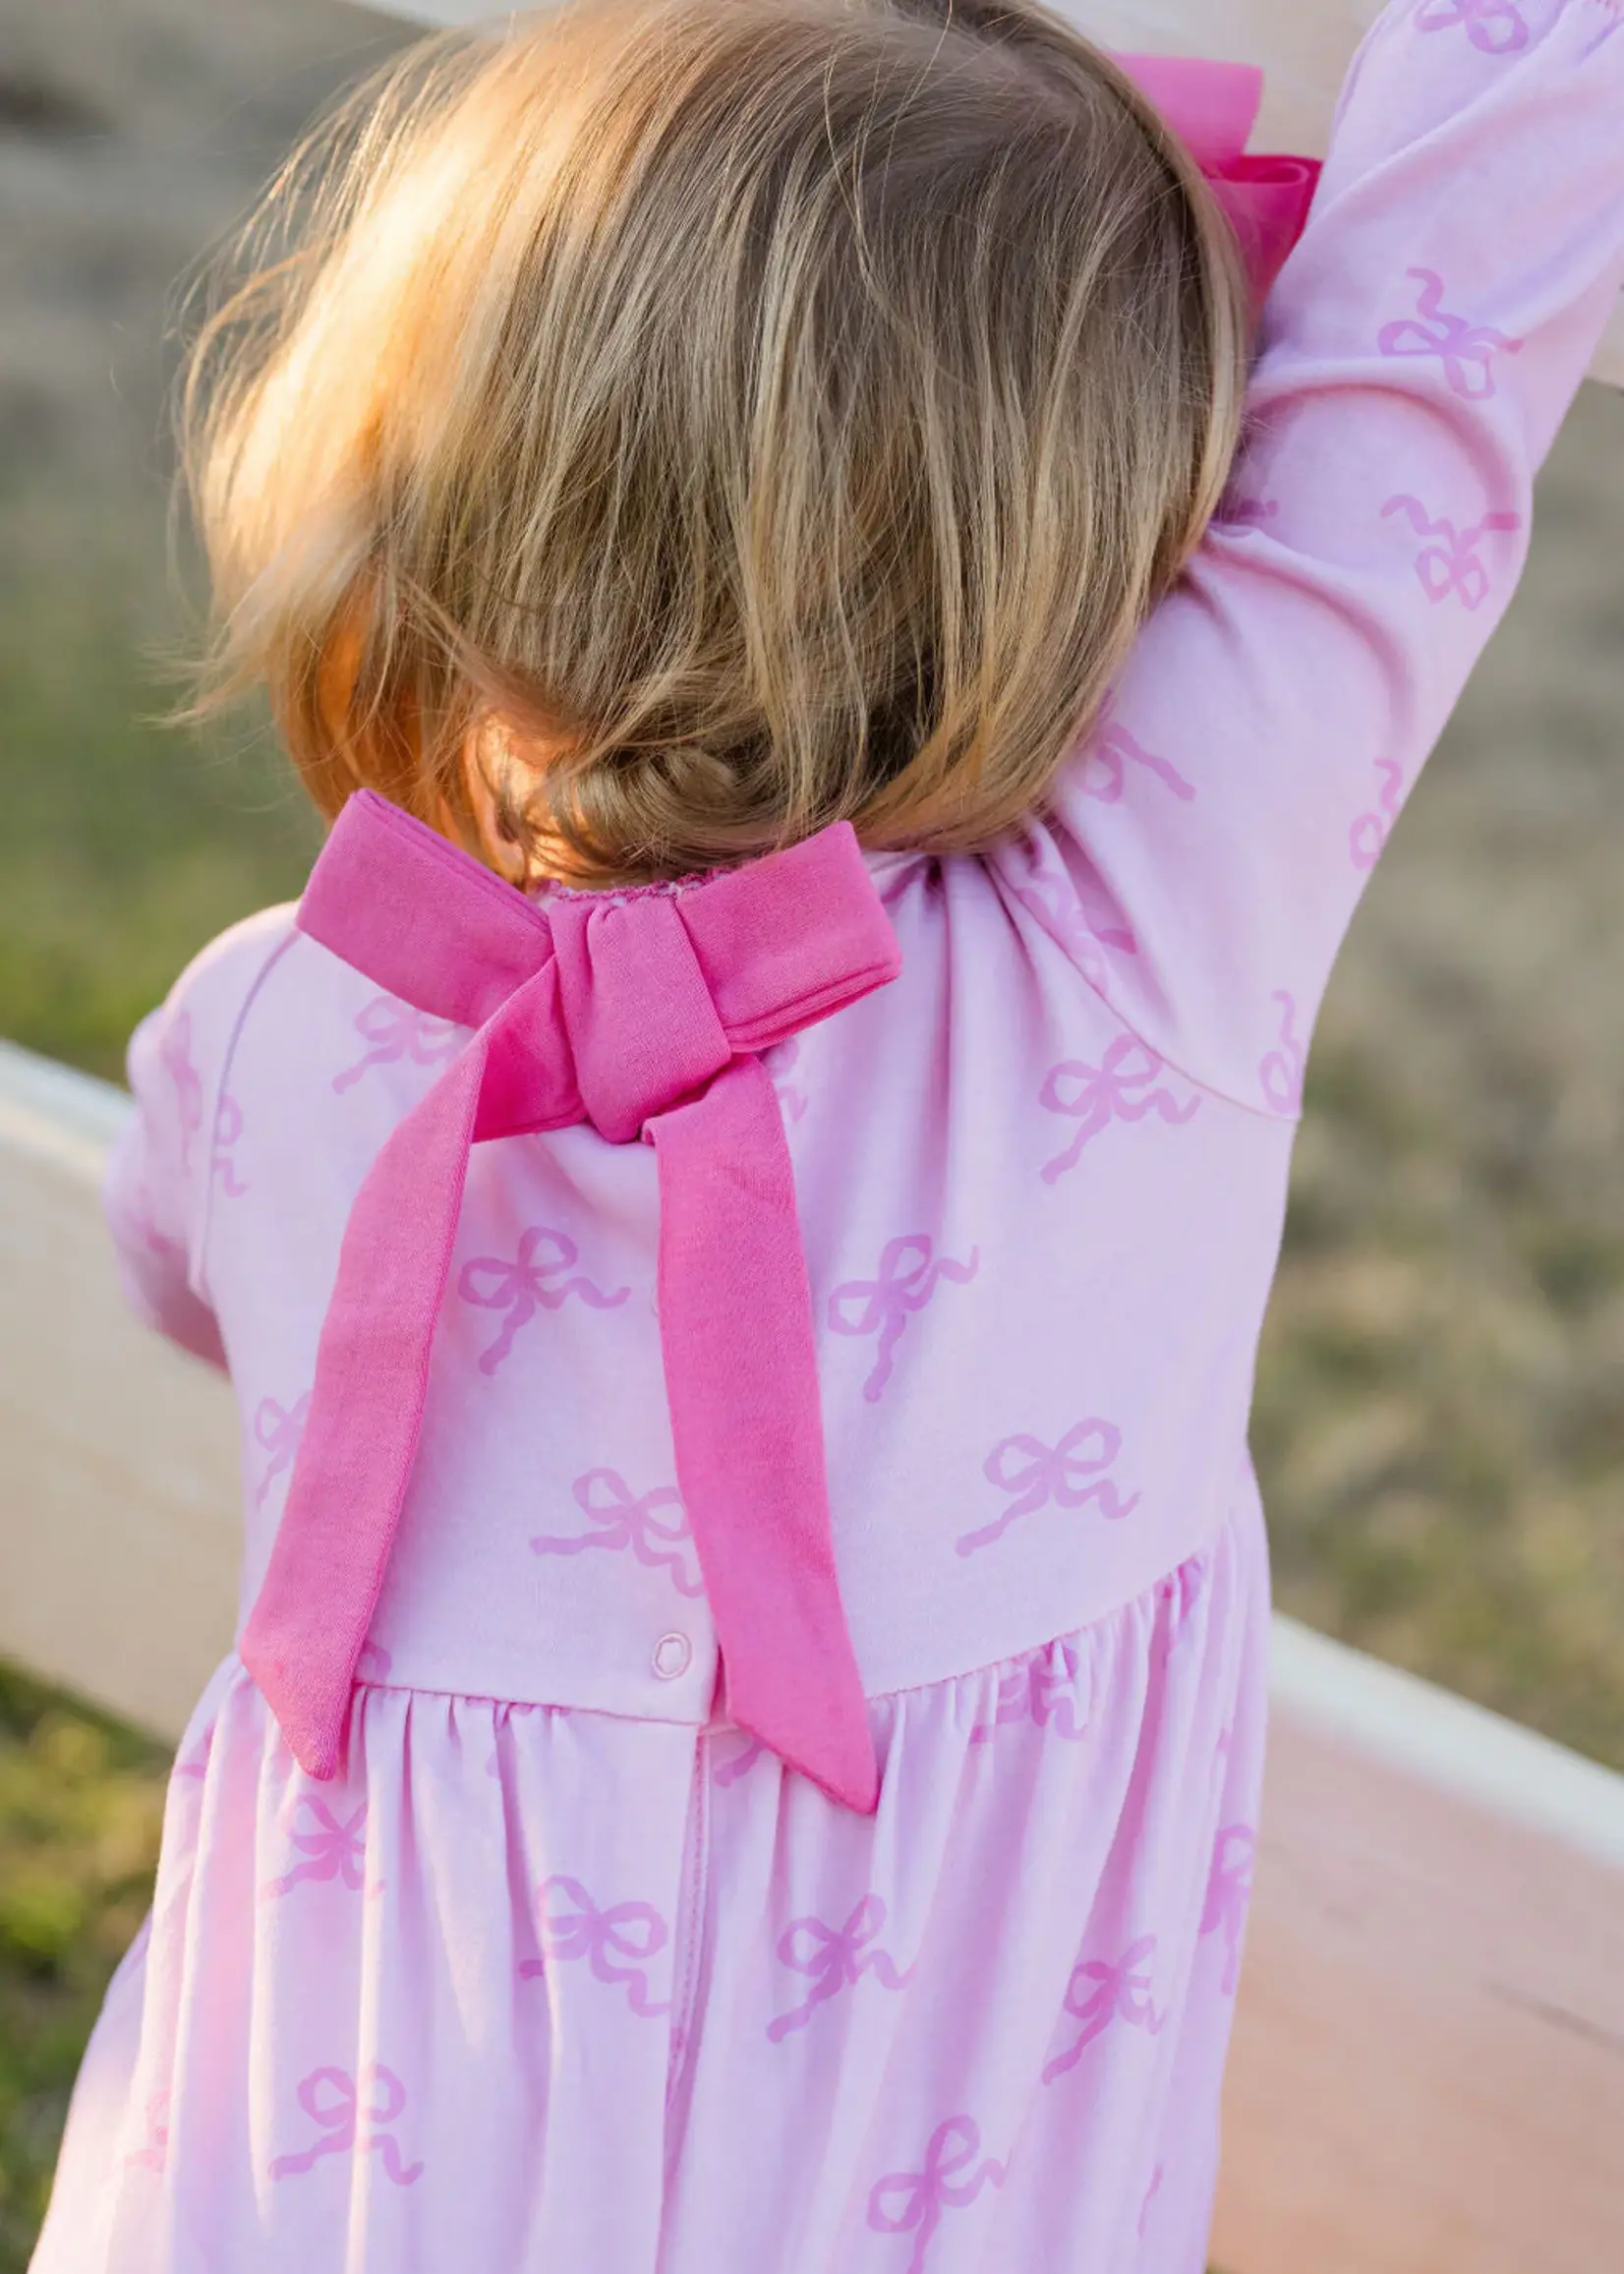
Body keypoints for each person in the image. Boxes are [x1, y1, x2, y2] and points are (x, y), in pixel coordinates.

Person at [30, 1, 1624, 2267]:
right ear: (1108, 551)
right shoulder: (1133, 953)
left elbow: (179, 1268)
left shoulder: (290, 1024)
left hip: (318, 2167)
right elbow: (1423, 407)